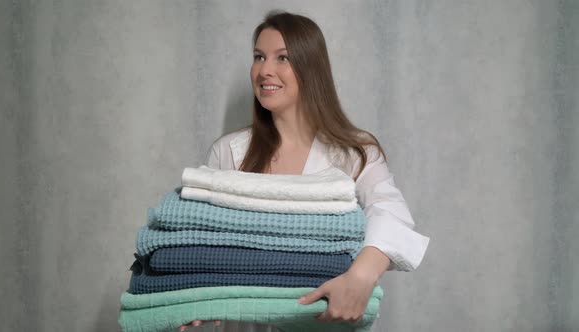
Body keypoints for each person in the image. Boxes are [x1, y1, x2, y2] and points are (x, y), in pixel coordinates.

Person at [178, 10, 429, 331]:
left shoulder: (355, 152)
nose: (265, 70)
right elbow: (200, 237)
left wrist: (361, 276)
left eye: (282, 58)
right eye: (258, 57)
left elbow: (390, 212)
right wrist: (194, 293)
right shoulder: (227, 151)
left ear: (311, 68)